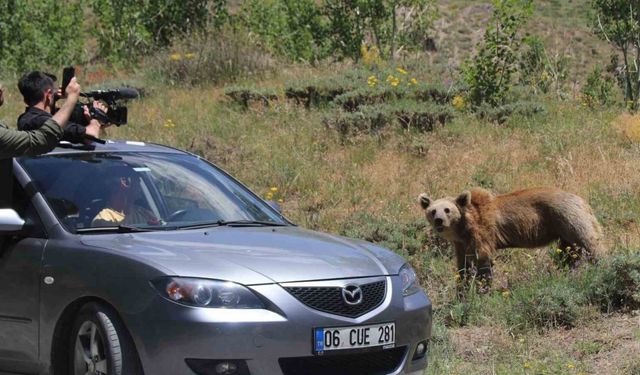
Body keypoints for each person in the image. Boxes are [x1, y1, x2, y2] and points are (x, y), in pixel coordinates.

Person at [0, 76, 83, 158]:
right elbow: (42, 139)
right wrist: (72, 98)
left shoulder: (24, 119)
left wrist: (52, 98)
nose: (2, 88)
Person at [16, 71, 104, 144]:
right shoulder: (45, 122)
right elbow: (90, 136)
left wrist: (52, 100)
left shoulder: (25, 119)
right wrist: (96, 120)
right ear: (49, 94)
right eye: (53, 92)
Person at [91, 168, 160, 227]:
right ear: (124, 182)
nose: (140, 187)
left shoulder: (144, 213)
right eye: (137, 181)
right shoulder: (104, 220)